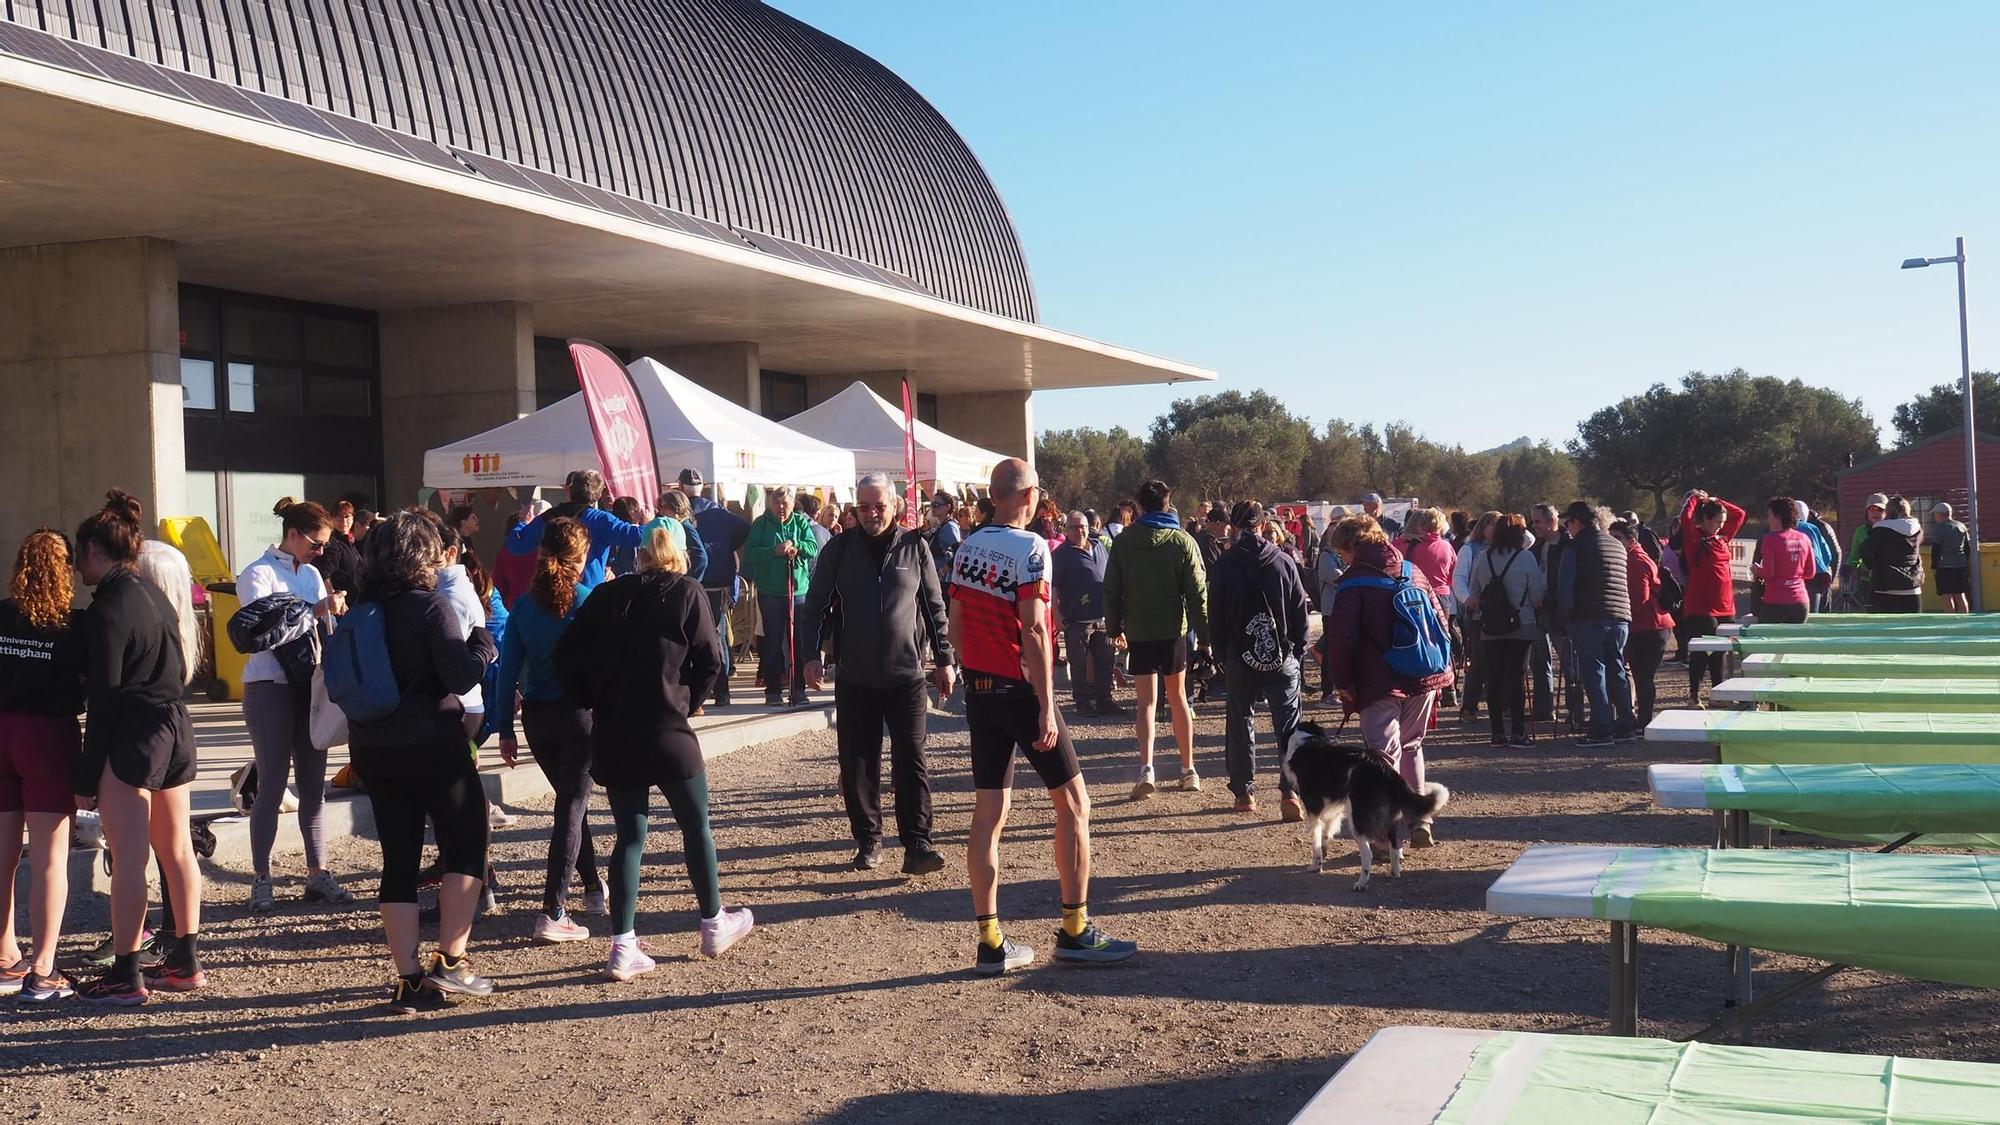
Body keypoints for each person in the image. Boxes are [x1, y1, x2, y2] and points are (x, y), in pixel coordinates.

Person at [948, 458, 1136, 975]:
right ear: (1028, 496)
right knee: (1075, 804)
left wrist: (973, 673)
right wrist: (1047, 700)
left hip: (980, 691)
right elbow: (1033, 629)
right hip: (1019, 690)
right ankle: (1075, 930)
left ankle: (990, 941)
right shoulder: (1032, 549)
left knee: (989, 815)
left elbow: (956, 625)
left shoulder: (967, 547)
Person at [555, 524, 755, 981]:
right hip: (668, 727)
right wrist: (691, 698)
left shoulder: (606, 596)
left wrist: (592, 697)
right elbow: (711, 658)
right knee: (695, 825)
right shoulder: (687, 592)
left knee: (630, 837)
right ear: (681, 554)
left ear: (640, 553)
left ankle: (623, 944)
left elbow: (565, 657)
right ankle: (712, 921)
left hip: (616, 730)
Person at [345, 512, 499, 1014]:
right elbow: (457, 675)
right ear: (422, 556)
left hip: (374, 747)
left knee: (398, 860)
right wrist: (483, 642)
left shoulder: (362, 609)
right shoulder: (430, 606)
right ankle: (452, 961)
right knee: (468, 842)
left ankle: (407, 981)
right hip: (433, 742)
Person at [72, 491, 205, 1005]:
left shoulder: (108, 607)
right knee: (177, 851)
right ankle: (185, 960)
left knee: (129, 858)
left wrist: (85, 780)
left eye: (80, 553)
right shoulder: (154, 596)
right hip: (175, 724)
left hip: (132, 728)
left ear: (93, 549)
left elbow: (103, 700)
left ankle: (125, 974)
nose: (76, 564)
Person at [799, 473, 956, 874]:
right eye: (864, 507)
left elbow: (934, 609)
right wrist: (810, 654)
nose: (871, 514)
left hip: (906, 674)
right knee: (858, 762)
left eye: (879, 506)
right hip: (856, 676)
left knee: (912, 759)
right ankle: (868, 840)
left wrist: (944, 659)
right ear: (854, 509)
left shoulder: (915, 547)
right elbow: (815, 605)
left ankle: (917, 844)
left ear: (894, 506)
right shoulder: (839, 549)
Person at [238, 498, 353, 912]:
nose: (320, 552)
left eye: (324, 545)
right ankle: (261, 877)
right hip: (269, 683)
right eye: (316, 543)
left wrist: (330, 615)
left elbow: (325, 631)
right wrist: (315, 609)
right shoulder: (257, 573)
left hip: (309, 684)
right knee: (271, 784)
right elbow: (260, 631)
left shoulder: (313, 576)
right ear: (292, 534)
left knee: (313, 785)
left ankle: (318, 872)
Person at [494, 517, 605, 944]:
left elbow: (507, 674)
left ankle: (593, 887)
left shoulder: (521, 606)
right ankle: (553, 909)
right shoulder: (588, 601)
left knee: (569, 805)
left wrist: (504, 727)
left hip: (537, 717)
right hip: (580, 714)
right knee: (571, 808)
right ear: (581, 558)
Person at [1320, 514, 1453, 845]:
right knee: (1411, 747)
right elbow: (1441, 623)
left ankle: (1383, 837)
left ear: (1352, 547)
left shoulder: (1353, 583)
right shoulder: (1412, 571)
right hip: (1423, 675)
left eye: (1343, 554)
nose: (1343, 560)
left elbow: (1342, 639)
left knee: (1381, 757)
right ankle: (1420, 819)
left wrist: (1343, 683)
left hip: (1378, 682)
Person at [0, 530, 87, 1003]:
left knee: (3, 856)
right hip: (48, 737)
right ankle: (44, 967)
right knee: (51, 859)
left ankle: (3, 957)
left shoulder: (0, 613)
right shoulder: (72, 627)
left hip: (1, 731)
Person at [1103, 479, 1208, 799]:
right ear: (1168, 503)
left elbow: (1111, 588)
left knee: (1146, 703)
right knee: (1178, 700)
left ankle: (1146, 767)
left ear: (1140, 504)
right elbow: (1197, 593)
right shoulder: (1182, 541)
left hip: (1139, 632)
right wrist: (1204, 637)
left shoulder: (1124, 541)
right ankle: (1188, 769)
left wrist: (1113, 629)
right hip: (1173, 632)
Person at [1208, 501, 1309, 818]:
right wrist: (1297, 650)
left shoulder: (1225, 565)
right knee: (1289, 727)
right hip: (1282, 657)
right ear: (1263, 525)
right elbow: (1299, 611)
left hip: (1240, 655)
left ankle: (1244, 793)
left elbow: (1216, 615)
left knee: (1240, 722)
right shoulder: (1283, 561)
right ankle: (1289, 791)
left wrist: (1221, 654)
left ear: (1234, 528)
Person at [1557, 503, 1634, 748]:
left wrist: (1566, 620)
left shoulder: (1575, 547)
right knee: (1617, 669)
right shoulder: (1616, 544)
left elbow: (1565, 589)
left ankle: (1601, 729)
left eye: (1568, 523)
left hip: (1589, 616)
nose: (1566, 528)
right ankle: (1626, 724)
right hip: (1620, 616)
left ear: (1577, 522)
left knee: (1594, 673)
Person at [496, 470, 646, 594]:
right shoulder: (602, 520)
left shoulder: (547, 517)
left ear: (569, 490)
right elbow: (638, 537)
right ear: (598, 495)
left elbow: (515, 545)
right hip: (588, 596)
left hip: (551, 593)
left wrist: (523, 522)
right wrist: (648, 521)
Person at [1465, 514, 1544, 748]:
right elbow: (1537, 595)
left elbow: (1474, 591)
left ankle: (1497, 733)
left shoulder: (1482, 558)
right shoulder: (1526, 557)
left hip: (1490, 624)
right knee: (1517, 678)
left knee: (1494, 678)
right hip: (1521, 623)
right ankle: (1518, 732)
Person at [744, 486, 821, 707]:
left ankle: (798, 689)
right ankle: (773, 690)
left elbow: (813, 547)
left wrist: (796, 545)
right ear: (771, 504)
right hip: (770, 592)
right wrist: (773, 551)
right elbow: (750, 552)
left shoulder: (800, 522)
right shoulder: (761, 524)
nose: (780, 508)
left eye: (785, 504)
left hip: (798, 591)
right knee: (773, 641)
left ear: (791, 504)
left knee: (798, 642)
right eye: (777, 504)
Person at [1676, 490, 1746, 707]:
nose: (1721, 525)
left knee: (1721, 653)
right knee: (1701, 652)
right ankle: (1694, 695)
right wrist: (1697, 498)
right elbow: (1685, 518)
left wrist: (1716, 499)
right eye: (1717, 521)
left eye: (1723, 522)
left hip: (1725, 605)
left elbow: (1740, 514)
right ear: (1705, 519)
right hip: (1701, 606)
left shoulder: (1722, 538)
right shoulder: (1695, 538)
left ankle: (1718, 694)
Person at [1050, 510, 1120, 718]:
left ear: (1089, 528)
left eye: (1083, 527)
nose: (1079, 531)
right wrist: (1056, 615)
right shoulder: (1060, 555)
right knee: (1078, 663)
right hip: (1076, 620)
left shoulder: (1100, 547)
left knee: (1106, 660)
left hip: (1103, 617)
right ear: (1066, 529)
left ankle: (1104, 700)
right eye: (1074, 527)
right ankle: (1082, 703)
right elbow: (1053, 590)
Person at [1613, 519, 1674, 730]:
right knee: (1641, 676)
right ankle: (1641, 720)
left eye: (1617, 538)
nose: (1613, 542)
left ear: (1630, 540)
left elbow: (1638, 598)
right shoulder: (1634, 557)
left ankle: (1644, 721)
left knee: (1643, 677)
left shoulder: (1636, 561)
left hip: (1649, 626)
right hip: (1648, 625)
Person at [1527, 503, 1567, 723]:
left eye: (1538, 521)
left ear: (1552, 521)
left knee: (1569, 662)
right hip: (1538, 610)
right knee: (1539, 661)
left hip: (1559, 611)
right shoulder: (1536, 547)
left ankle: (1574, 710)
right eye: (1532, 521)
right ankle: (1543, 710)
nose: (1534, 526)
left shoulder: (1568, 546)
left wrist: (1550, 598)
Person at [1750, 497, 1817, 626]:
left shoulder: (1770, 539)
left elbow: (1769, 573)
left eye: (1769, 515)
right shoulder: (1804, 538)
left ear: (1777, 516)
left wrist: (1756, 570)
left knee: (1768, 642)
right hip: (1800, 602)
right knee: (1794, 643)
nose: (1768, 519)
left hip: (1775, 601)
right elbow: (1810, 572)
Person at [1861, 496, 1925, 613]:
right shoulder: (1918, 531)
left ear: (1887, 512)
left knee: (1883, 629)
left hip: (1885, 588)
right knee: (1911, 628)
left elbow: (1865, 551)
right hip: (1913, 587)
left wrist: (1874, 567)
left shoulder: (1880, 531)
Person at [314, 498, 364, 598]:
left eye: (347, 516)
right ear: (332, 519)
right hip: (342, 605)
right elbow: (324, 574)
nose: (344, 521)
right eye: (339, 517)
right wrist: (333, 597)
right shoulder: (332, 544)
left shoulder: (350, 542)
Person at [1930, 502, 1972, 613]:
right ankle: (1964, 620)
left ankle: (1950, 619)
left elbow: (1936, 549)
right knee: (1960, 594)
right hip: (1961, 565)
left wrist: (1934, 566)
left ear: (1939, 514)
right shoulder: (1961, 526)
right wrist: (1965, 561)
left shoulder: (1940, 528)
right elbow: (1968, 548)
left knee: (1947, 595)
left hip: (1945, 566)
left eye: (1935, 514)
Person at [1848, 493, 1888, 606]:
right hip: (1868, 581)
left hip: (1889, 580)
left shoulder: (1892, 530)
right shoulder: (1861, 531)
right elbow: (1854, 557)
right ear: (1867, 512)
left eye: (1879, 509)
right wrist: (1850, 569)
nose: (1875, 513)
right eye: (1871, 509)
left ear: (1886, 512)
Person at [1802, 505, 1842, 615]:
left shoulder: (1821, 527)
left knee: (1821, 615)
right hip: (1815, 578)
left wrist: (1830, 578)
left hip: (1820, 577)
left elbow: (1835, 553)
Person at [605, 496, 649, 577]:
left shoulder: (612, 529)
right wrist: (646, 524)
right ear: (632, 512)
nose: (641, 514)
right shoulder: (633, 533)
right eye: (639, 511)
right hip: (629, 577)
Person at [928, 492, 964, 574]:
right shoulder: (941, 525)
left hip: (946, 580)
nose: (933, 508)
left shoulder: (950, 527)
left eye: (936, 505)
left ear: (947, 507)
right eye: (932, 504)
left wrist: (944, 569)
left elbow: (959, 552)